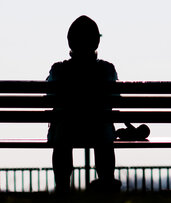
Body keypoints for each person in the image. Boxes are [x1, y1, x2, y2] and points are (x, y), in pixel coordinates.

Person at [47, 15, 121, 193]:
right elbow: (116, 99)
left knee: (61, 131)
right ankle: (106, 180)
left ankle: (63, 186)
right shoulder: (106, 69)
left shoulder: (58, 70)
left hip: (66, 132)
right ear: (96, 43)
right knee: (104, 131)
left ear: (70, 43)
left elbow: (49, 97)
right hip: (99, 132)